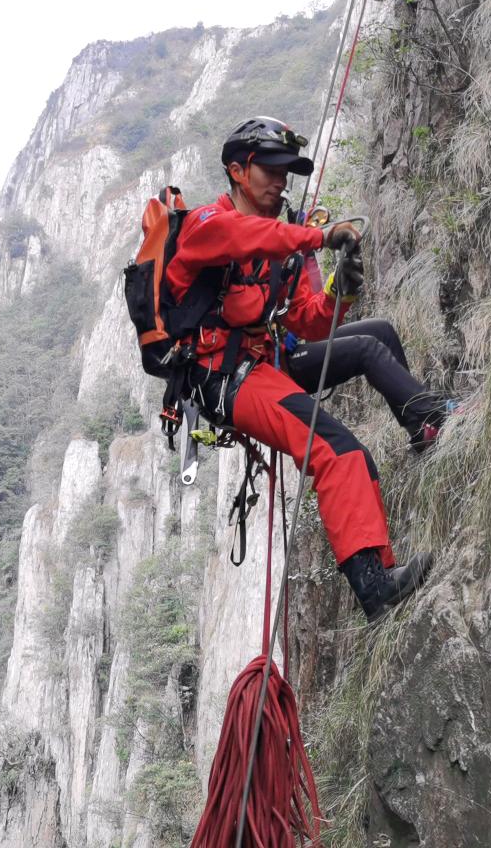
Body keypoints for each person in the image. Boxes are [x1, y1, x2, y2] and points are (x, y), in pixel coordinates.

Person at [164, 116, 436, 621]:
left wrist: (343, 288)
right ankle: (374, 588)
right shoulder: (207, 226)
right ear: (237, 172)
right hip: (225, 379)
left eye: (288, 170)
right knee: (335, 448)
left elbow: (310, 322)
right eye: (270, 168)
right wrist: (317, 236)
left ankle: (384, 562)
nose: (281, 179)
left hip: (267, 364)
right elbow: (241, 236)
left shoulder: (280, 246)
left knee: (351, 449)